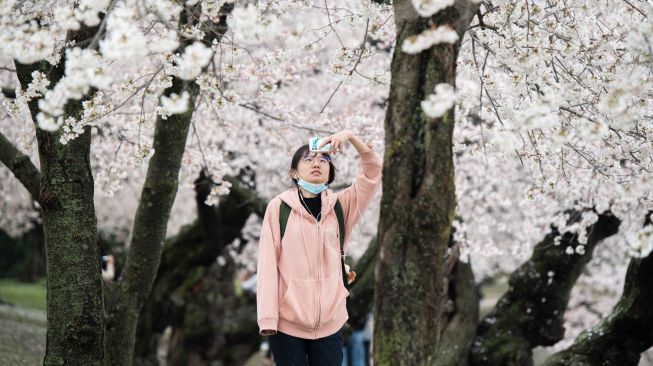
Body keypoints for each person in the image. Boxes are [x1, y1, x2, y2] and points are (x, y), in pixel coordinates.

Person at [256, 130, 383, 366]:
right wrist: (268, 319)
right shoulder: (278, 208)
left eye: (323, 160)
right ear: (294, 172)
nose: (317, 163)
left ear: (330, 172)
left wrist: (351, 137)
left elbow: (373, 173)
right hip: (287, 324)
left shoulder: (341, 207)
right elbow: (266, 266)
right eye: (308, 159)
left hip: (330, 324)